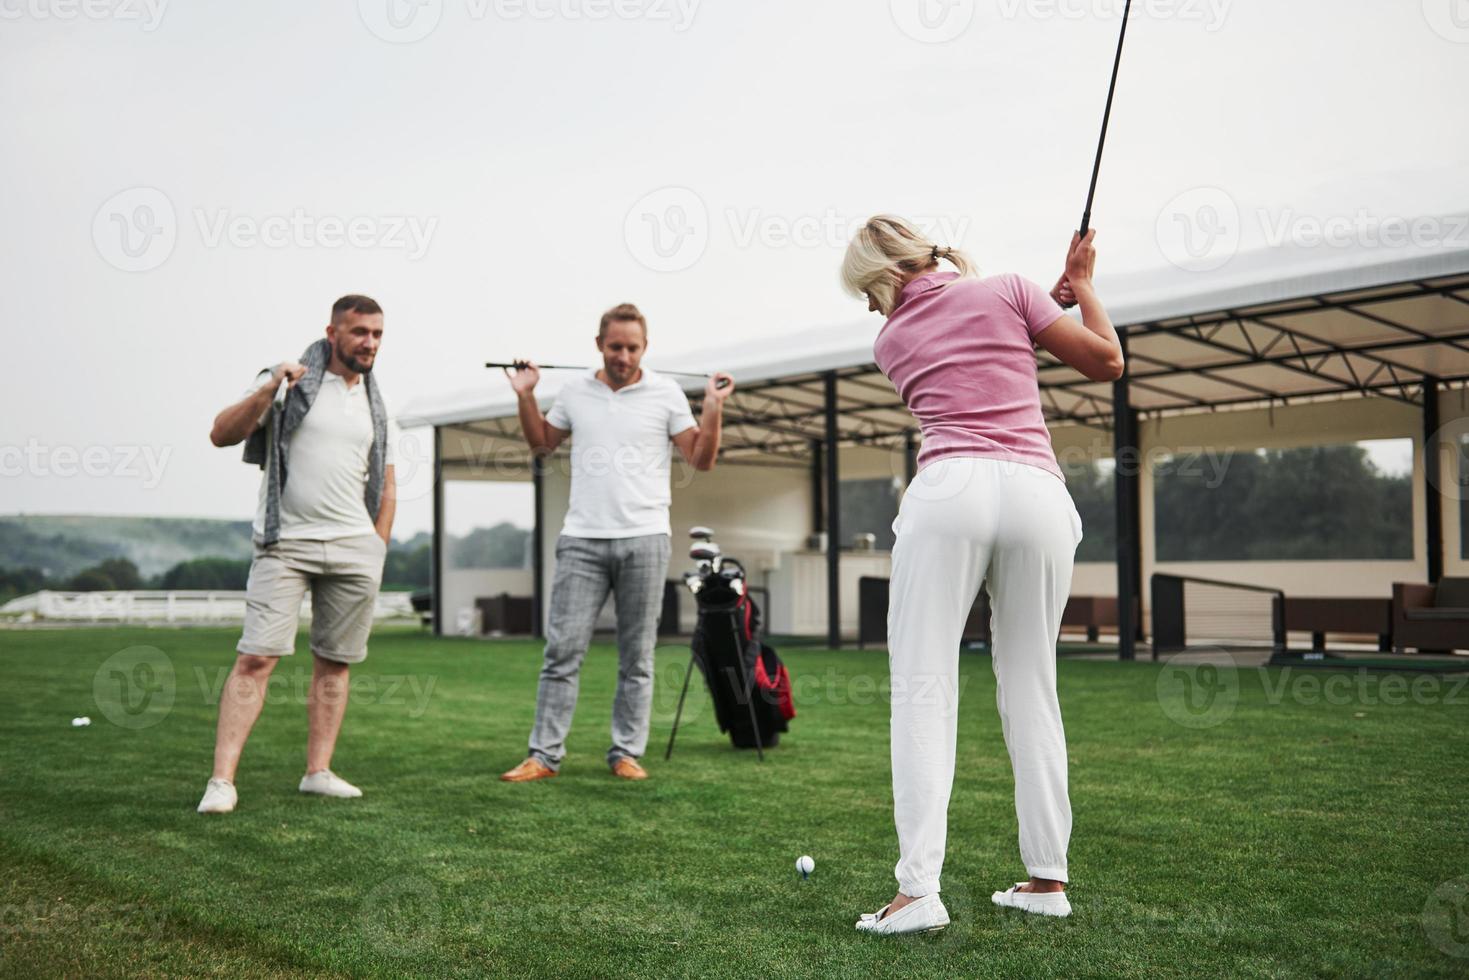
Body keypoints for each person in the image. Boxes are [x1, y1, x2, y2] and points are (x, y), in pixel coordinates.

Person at [840, 216, 1122, 934]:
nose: (871, 309)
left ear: (882, 279)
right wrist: (1077, 292)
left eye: (867, 293)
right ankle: (1046, 879)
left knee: (924, 685)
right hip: (1037, 494)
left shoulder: (889, 340)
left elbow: (967, 338)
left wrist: (1044, 304)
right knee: (1030, 681)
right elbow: (1105, 362)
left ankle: (917, 893)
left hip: (949, 491)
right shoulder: (1010, 291)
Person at [499, 303, 734, 782]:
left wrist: (713, 406)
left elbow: (702, 460)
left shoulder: (666, 393)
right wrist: (526, 395)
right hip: (582, 540)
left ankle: (626, 752)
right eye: (615, 346)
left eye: (632, 347)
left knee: (637, 655)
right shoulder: (574, 391)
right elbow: (542, 444)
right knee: (561, 652)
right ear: (599, 345)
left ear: (644, 348)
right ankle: (543, 756)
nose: (623, 355)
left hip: (645, 540)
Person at [196, 295, 400, 815]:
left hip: (355, 549)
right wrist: (269, 387)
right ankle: (222, 782)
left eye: (377, 333)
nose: (369, 342)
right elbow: (222, 433)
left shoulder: (377, 401)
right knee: (256, 657)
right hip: (285, 543)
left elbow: (387, 481)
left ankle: (318, 772)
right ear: (332, 332)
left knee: (335, 663)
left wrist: (377, 544)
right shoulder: (288, 381)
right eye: (359, 332)